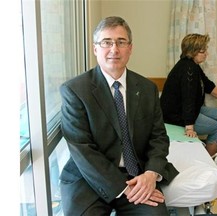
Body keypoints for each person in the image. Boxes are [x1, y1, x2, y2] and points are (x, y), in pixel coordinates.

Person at [59, 16, 179, 215]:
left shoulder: (148, 89)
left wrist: (151, 174)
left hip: (137, 176)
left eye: (121, 42)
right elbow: (82, 150)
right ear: (95, 48)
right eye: (106, 42)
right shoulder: (75, 90)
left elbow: (159, 137)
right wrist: (122, 188)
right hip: (90, 178)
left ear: (130, 48)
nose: (114, 49)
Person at [160, 33, 217, 158]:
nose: (206, 53)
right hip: (176, 116)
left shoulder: (193, 65)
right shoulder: (187, 69)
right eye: (203, 51)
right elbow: (188, 99)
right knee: (215, 127)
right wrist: (189, 127)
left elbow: (208, 85)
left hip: (189, 110)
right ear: (192, 51)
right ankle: (207, 164)